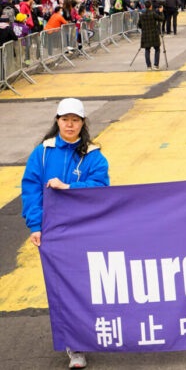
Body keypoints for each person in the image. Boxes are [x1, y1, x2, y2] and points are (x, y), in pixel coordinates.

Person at [21, 98, 110, 369]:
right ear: (57, 121)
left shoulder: (93, 154)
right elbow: (31, 189)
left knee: (84, 285)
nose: (69, 124)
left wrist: (70, 186)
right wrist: (35, 226)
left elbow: (101, 188)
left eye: (75, 120)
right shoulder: (43, 153)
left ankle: (93, 333)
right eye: (64, 119)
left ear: (83, 123)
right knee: (62, 289)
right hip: (54, 231)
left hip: (84, 229)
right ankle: (76, 347)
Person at [137, 0, 164, 71]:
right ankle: (156, 65)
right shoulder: (153, 14)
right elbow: (161, 19)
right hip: (154, 34)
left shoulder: (142, 15)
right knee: (157, 49)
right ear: (151, 6)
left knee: (147, 50)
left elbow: (139, 25)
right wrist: (161, 12)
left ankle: (149, 66)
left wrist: (144, 28)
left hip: (146, 34)